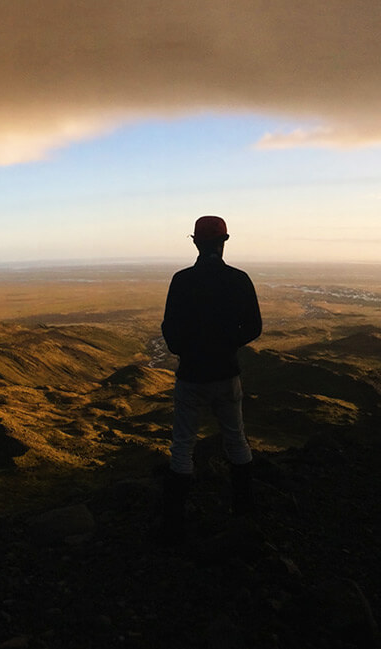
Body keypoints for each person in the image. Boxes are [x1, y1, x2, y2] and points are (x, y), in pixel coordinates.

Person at [158, 215, 263, 538]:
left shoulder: (182, 280)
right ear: (224, 241)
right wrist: (227, 345)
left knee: (183, 444)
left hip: (191, 375)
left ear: (195, 242)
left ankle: (175, 520)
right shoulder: (239, 279)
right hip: (226, 373)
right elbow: (254, 327)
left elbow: (169, 328)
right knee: (236, 438)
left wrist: (186, 352)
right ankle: (243, 509)